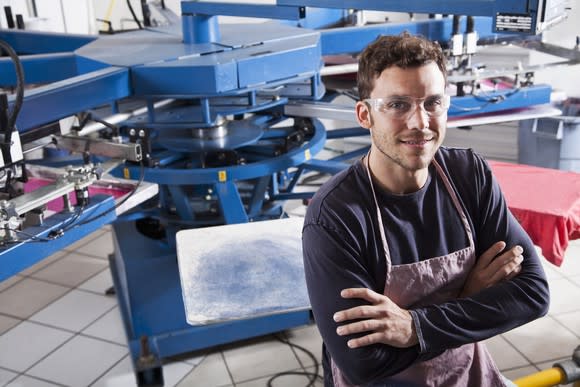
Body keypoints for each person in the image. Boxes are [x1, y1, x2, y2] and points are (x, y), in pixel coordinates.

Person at [302, 33, 550, 387]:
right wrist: (469, 299)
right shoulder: (336, 216)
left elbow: (533, 293)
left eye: (433, 102)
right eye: (398, 105)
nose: (420, 122)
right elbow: (363, 361)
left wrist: (414, 326)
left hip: (468, 376)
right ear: (364, 114)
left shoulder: (469, 176)